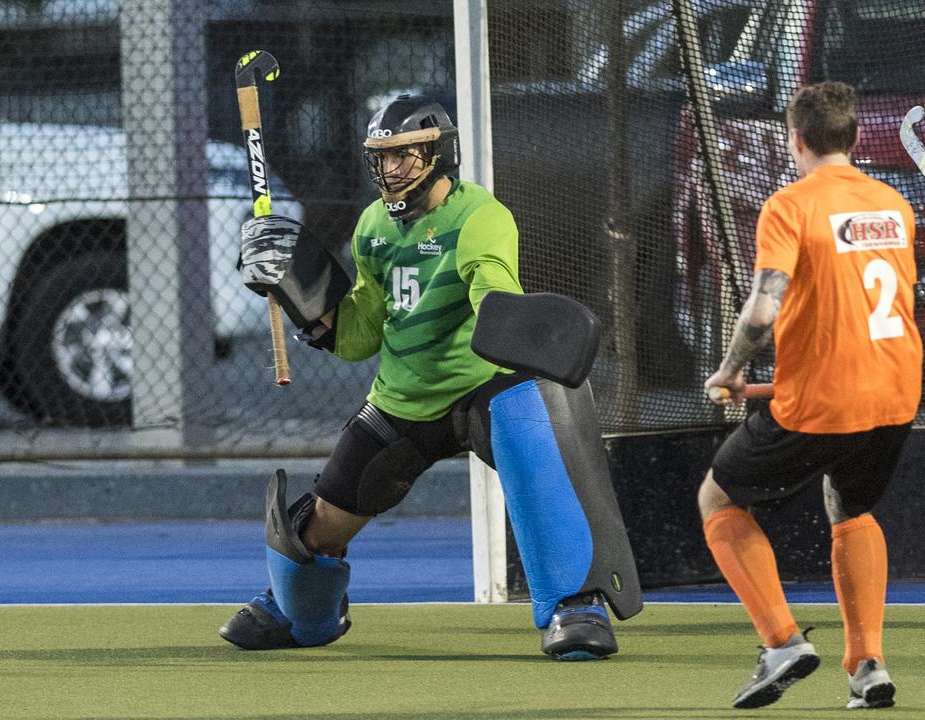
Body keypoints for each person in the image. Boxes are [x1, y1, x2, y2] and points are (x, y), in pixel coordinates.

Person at [219, 94, 643, 660]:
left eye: (405, 156)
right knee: (321, 524)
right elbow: (361, 334)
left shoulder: (479, 216)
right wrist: (298, 295)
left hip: (482, 389)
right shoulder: (373, 226)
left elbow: (490, 284)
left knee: (532, 444)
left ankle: (575, 605)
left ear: (439, 154)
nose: (391, 170)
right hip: (402, 400)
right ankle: (303, 614)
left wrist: (515, 322)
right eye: (382, 157)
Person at [699, 81, 922, 709]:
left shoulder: (790, 205)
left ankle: (781, 642)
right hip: (898, 392)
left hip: (827, 400)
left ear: (795, 140)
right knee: (849, 508)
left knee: (717, 495)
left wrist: (729, 370)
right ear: (854, 139)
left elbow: (764, 309)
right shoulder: (893, 203)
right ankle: (868, 665)